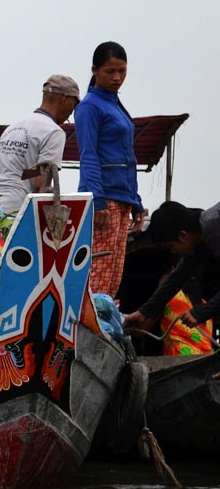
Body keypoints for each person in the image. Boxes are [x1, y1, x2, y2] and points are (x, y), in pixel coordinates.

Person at [76, 41, 143, 297]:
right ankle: (87, 328)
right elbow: (88, 155)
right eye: (110, 71)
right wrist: (98, 200)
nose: (117, 78)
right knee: (99, 270)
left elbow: (129, 157)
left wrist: (135, 200)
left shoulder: (115, 105)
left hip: (122, 198)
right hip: (104, 199)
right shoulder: (89, 106)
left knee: (115, 272)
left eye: (122, 71)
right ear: (95, 70)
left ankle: (104, 326)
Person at [0, 75, 79, 216]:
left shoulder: (12, 128)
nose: (72, 111)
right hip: (15, 210)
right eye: (74, 104)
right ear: (64, 99)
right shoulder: (54, 132)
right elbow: (41, 186)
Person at [122, 200, 219, 341]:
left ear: (182, 235)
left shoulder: (213, 228)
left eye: (171, 247)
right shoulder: (201, 232)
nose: (173, 252)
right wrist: (145, 311)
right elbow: (179, 276)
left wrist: (201, 312)